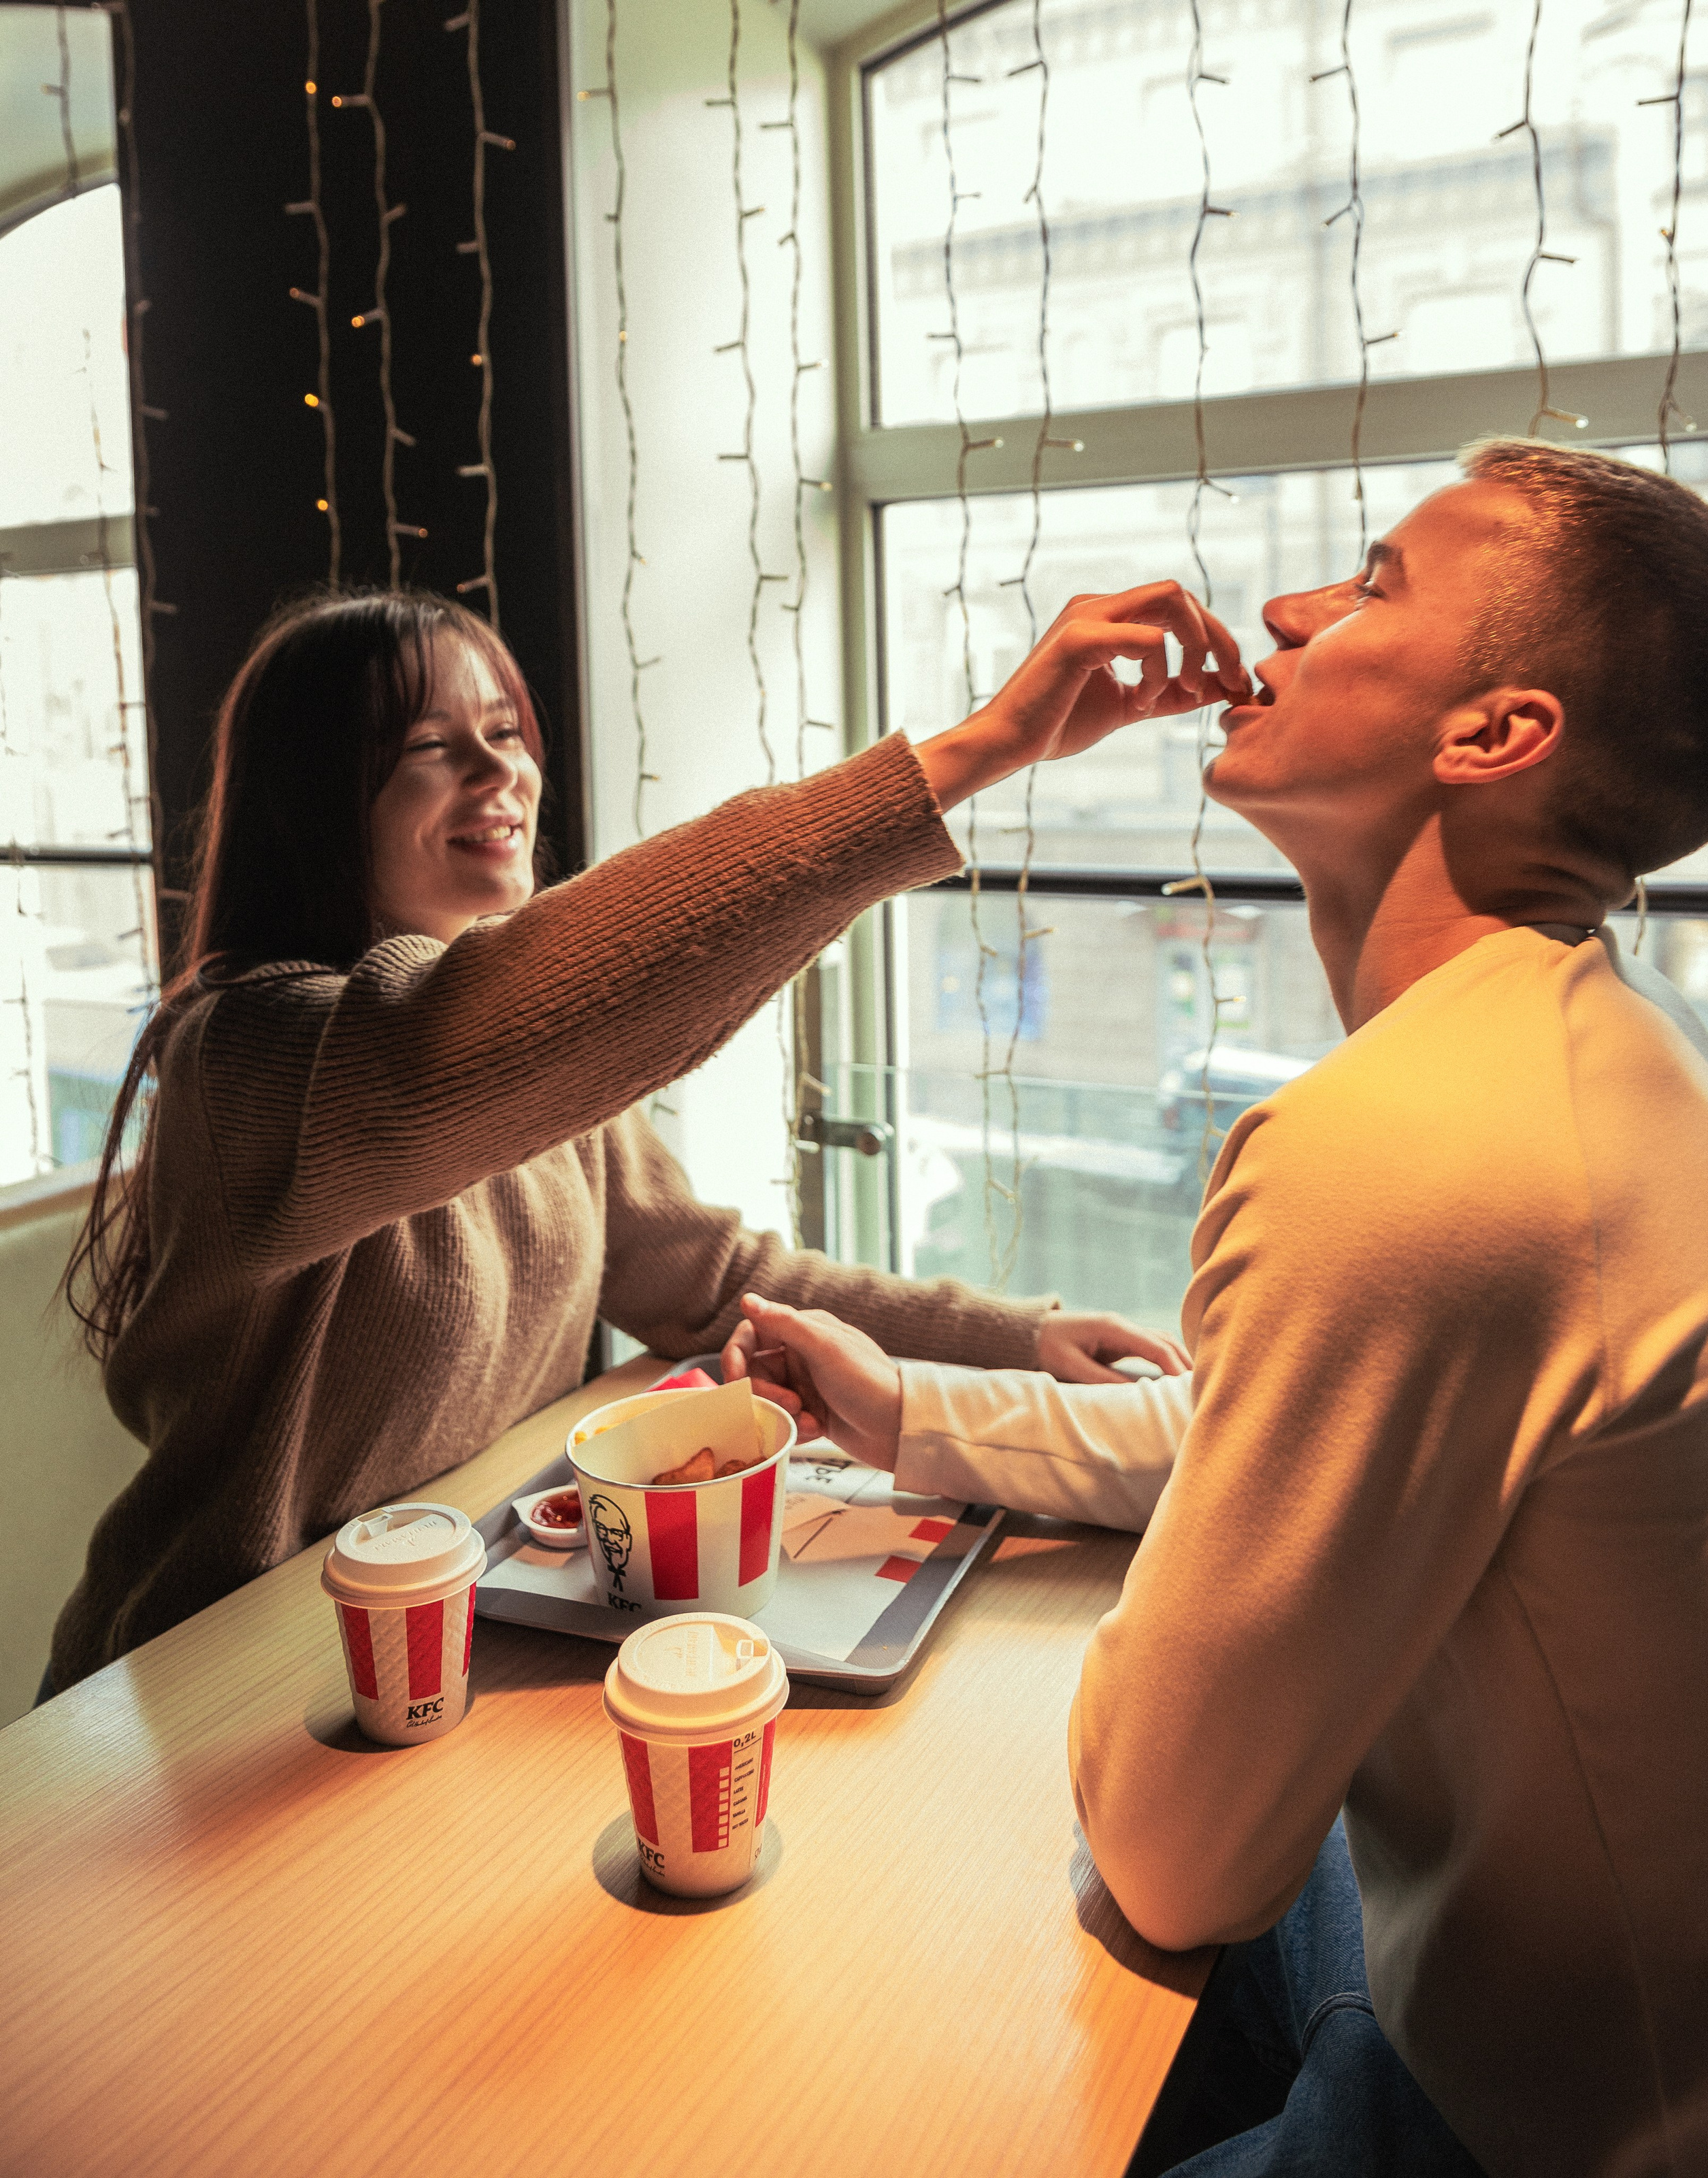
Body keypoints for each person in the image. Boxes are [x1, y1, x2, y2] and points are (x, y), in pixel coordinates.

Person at [721, 440, 1708, 2178]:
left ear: (1493, 734)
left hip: (1553, 2129)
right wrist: (919, 1413)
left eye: (1367, 581)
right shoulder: (1601, 1044)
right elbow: (1300, 1453)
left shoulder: (1410, 1146)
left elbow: (1173, 1849)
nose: (1281, 607)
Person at [47, 576, 1244, 1695]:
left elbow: (719, 1285)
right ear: (314, 797)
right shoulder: (247, 1054)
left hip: (453, 1635)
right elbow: (447, 1043)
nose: (497, 774)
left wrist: (1017, 1342)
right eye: (428, 747)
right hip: (217, 1675)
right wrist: (976, 750)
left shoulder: (535, 1081)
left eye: (507, 734)